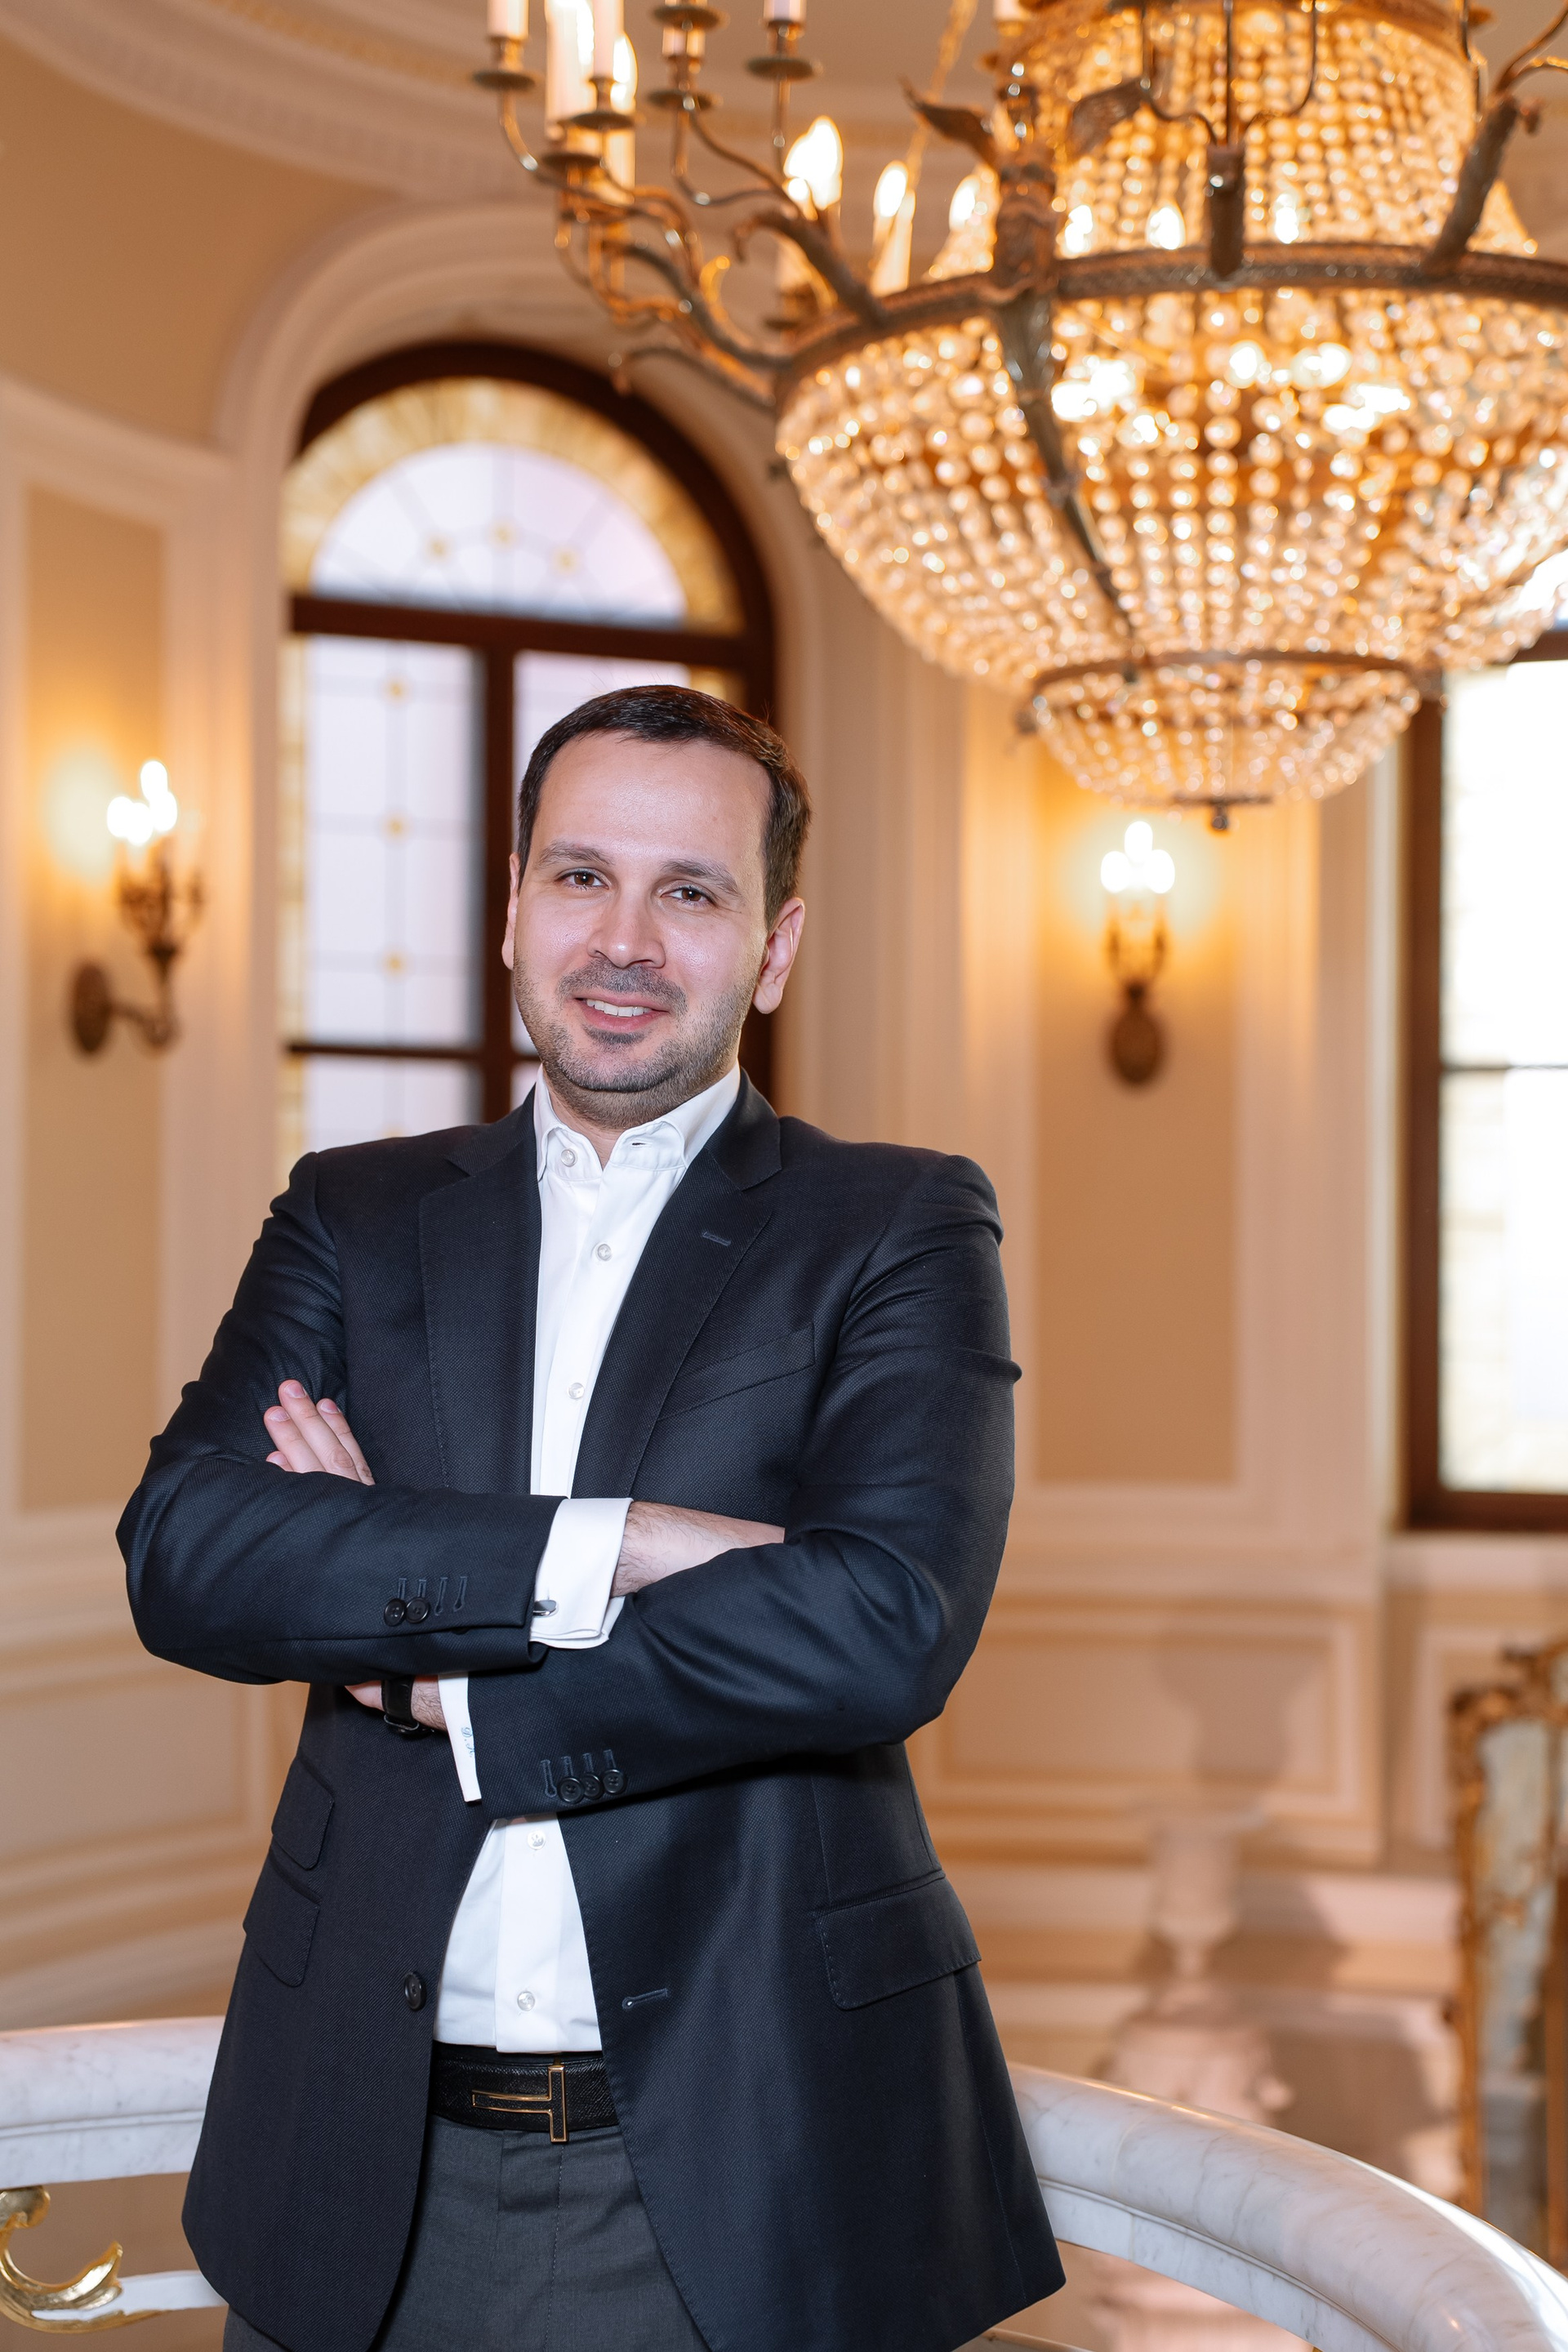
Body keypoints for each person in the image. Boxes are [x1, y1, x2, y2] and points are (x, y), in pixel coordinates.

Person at [120, 684, 1062, 2352]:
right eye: (580, 877)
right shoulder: (352, 1211)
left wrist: (425, 1659)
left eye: (689, 892)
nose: (624, 940)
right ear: (512, 910)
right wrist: (621, 1541)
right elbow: (188, 1551)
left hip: (751, 2153)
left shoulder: (899, 1223)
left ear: (773, 949)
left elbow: (882, 1627)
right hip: (347, 2141)